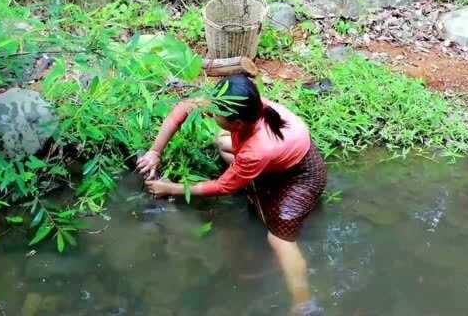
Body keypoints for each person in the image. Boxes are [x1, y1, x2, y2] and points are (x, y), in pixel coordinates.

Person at [137, 74, 327, 315]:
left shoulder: (257, 149)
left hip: (304, 176)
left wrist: (172, 188)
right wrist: (155, 152)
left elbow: (224, 187)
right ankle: (260, 186)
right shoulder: (243, 106)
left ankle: (303, 304)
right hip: (278, 158)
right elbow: (183, 108)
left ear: (236, 123)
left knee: (278, 238)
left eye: (216, 113)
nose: (210, 112)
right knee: (222, 143)